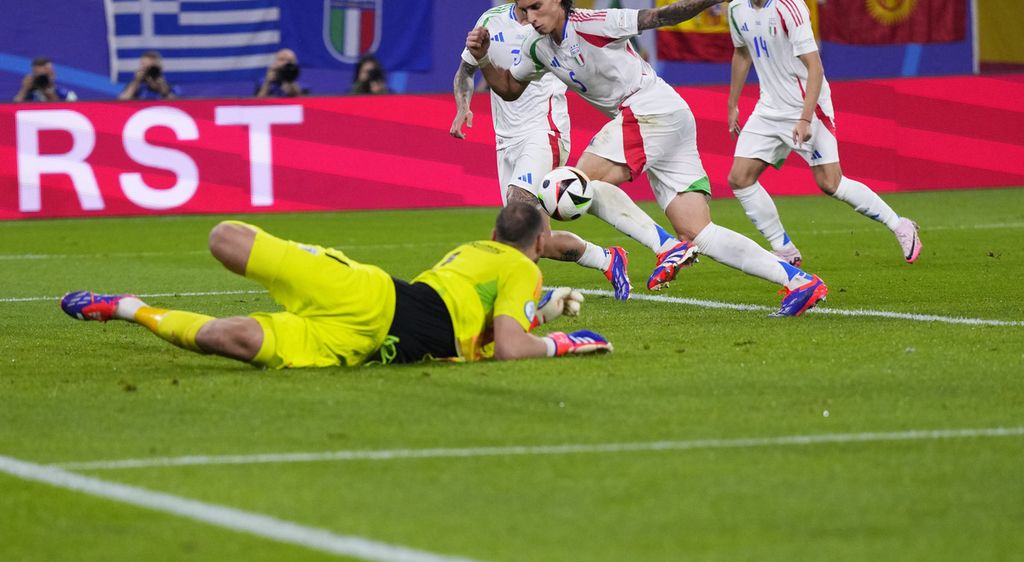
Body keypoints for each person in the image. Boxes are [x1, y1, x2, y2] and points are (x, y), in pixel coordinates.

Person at [467, 0, 829, 316]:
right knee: (700, 232)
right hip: (666, 117)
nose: (530, 17)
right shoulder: (537, 46)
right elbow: (510, 89)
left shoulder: (594, 23)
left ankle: (665, 247)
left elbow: (660, 16)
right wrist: (483, 59)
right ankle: (800, 282)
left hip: (649, 108)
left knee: (570, 185)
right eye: (524, 9)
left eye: (537, 7)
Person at [59, 204, 613, 367]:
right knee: (228, 271)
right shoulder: (524, 267)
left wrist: (538, 312)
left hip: (368, 339)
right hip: (375, 306)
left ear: (494, 231)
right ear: (541, 243)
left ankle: (126, 307)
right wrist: (562, 340)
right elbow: (508, 348)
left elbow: (475, 325)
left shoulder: (473, 251)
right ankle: (132, 310)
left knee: (229, 335)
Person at [725, 0, 921, 269]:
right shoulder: (736, 8)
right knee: (739, 178)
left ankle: (900, 224)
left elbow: (815, 67)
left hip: (806, 107)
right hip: (768, 107)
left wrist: (803, 119)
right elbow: (741, 53)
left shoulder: (790, 5)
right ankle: (784, 249)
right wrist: (732, 104)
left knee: (831, 183)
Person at [451, 0, 631, 301]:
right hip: (505, 141)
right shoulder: (490, 21)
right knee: (539, 239)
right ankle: (608, 258)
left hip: (543, 132)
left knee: (515, 215)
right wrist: (463, 107)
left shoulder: (553, 23)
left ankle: (515, 300)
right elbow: (466, 69)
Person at [13, 56, 77, 102]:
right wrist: (24, 89)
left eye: (45, 75)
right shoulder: (30, 95)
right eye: (38, 75)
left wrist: (52, 97)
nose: (42, 79)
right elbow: (15, 108)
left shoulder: (67, 95)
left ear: (53, 74)